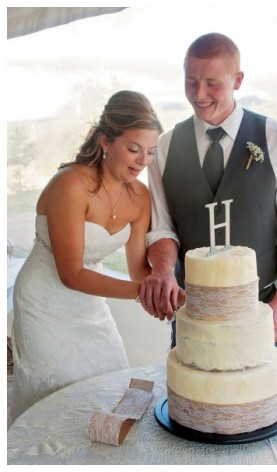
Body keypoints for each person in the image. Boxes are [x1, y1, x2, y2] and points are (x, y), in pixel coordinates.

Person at [139, 32, 277, 372]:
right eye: (190, 82)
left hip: (260, 309)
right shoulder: (163, 147)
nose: (199, 94)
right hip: (192, 313)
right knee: (195, 407)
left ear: (237, 80)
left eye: (212, 83)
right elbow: (162, 226)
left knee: (268, 410)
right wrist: (162, 270)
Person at [10, 90, 163, 424]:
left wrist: (164, 286)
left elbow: (139, 271)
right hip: (44, 302)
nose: (142, 161)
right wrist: (144, 293)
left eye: (150, 152)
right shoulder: (71, 184)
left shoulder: (140, 197)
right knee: (56, 404)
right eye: (133, 149)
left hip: (90, 306)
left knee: (112, 388)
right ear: (106, 141)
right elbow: (71, 274)